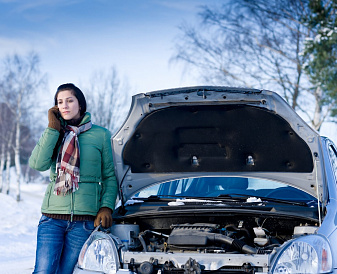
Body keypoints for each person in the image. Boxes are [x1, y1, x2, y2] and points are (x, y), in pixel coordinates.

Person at [29, 83, 118, 274]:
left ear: (80, 104)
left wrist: (106, 206)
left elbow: (110, 177)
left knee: (67, 273)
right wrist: (53, 128)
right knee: (43, 271)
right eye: (60, 102)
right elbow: (38, 164)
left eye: (70, 100)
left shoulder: (101, 135)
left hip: (84, 222)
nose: (65, 106)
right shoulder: (55, 133)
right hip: (51, 219)